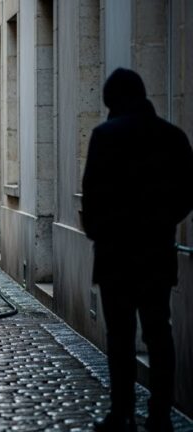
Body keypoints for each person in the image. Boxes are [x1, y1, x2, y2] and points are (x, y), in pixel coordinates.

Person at [82, 68, 193, 432]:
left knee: (120, 337)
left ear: (111, 100)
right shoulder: (173, 136)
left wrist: (100, 232)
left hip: (115, 253)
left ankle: (122, 412)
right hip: (156, 250)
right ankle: (160, 414)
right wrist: (162, 223)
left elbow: (93, 194)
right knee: (159, 331)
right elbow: (186, 195)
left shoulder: (105, 136)